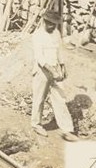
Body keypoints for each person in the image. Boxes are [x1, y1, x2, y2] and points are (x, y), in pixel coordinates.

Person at [31, 10, 77, 141]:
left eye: (54, 24)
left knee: (60, 99)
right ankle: (36, 125)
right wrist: (53, 72)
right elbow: (40, 58)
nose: (52, 26)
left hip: (55, 68)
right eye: (50, 24)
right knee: (39, 99)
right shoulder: (37, 36)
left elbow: (59, 51)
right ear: (44, 22)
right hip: (42, 70)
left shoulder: (56, 33)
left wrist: (62, 66)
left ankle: (67, 129)